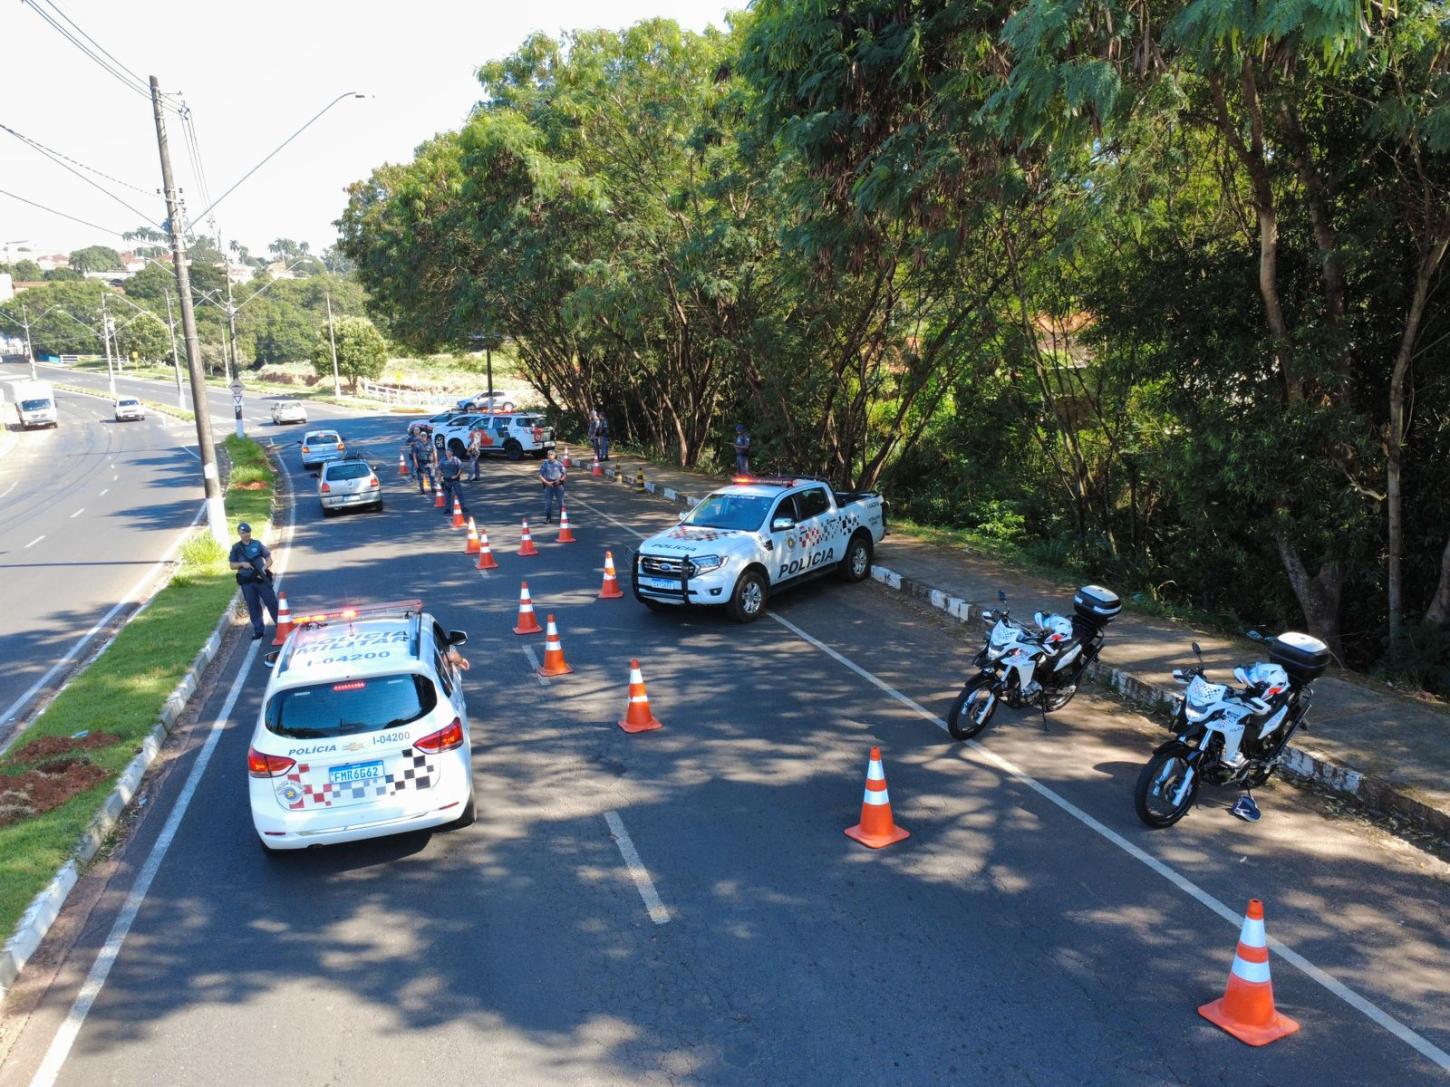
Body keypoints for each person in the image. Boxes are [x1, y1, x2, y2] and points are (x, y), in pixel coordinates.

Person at [228, 522, 278, 641]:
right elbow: (231, 565)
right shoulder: (236, 548)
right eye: (243, 533)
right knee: (253, 606)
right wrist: (242, 564)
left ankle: (280, 624)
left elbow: (269, 560)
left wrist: (263, 569)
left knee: (271, 602)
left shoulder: (257, 544)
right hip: (247, 582)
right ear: (239, 534)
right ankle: (258, 630)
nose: (246, 534)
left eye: (248, 532)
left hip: (261, 579)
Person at [539, 447, 567, 523]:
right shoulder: (545, 464)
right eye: (548, 454)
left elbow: (564, 474)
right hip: (548, 485)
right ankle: (548, 518)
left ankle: (562, 517)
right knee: (548, 503)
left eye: (551, 454)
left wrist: (560, 480)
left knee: (561, 502)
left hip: (558, 485)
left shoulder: (559, 464)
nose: (550, 456)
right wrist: (546, 482)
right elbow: (540, 476)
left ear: (555, 455)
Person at [439, 447, 467, 515]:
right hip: (447, 480)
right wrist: (439, 479)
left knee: (459, 493)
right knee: (447, 495)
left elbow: (461, 467)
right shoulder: (442, 460)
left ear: (452, 453)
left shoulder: (456, 459)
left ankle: (462, 507)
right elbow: (440, 470)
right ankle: (447, 509)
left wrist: (457, 475)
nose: (448, 453)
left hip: (455, 480)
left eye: (449, 452)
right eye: (447, 452)